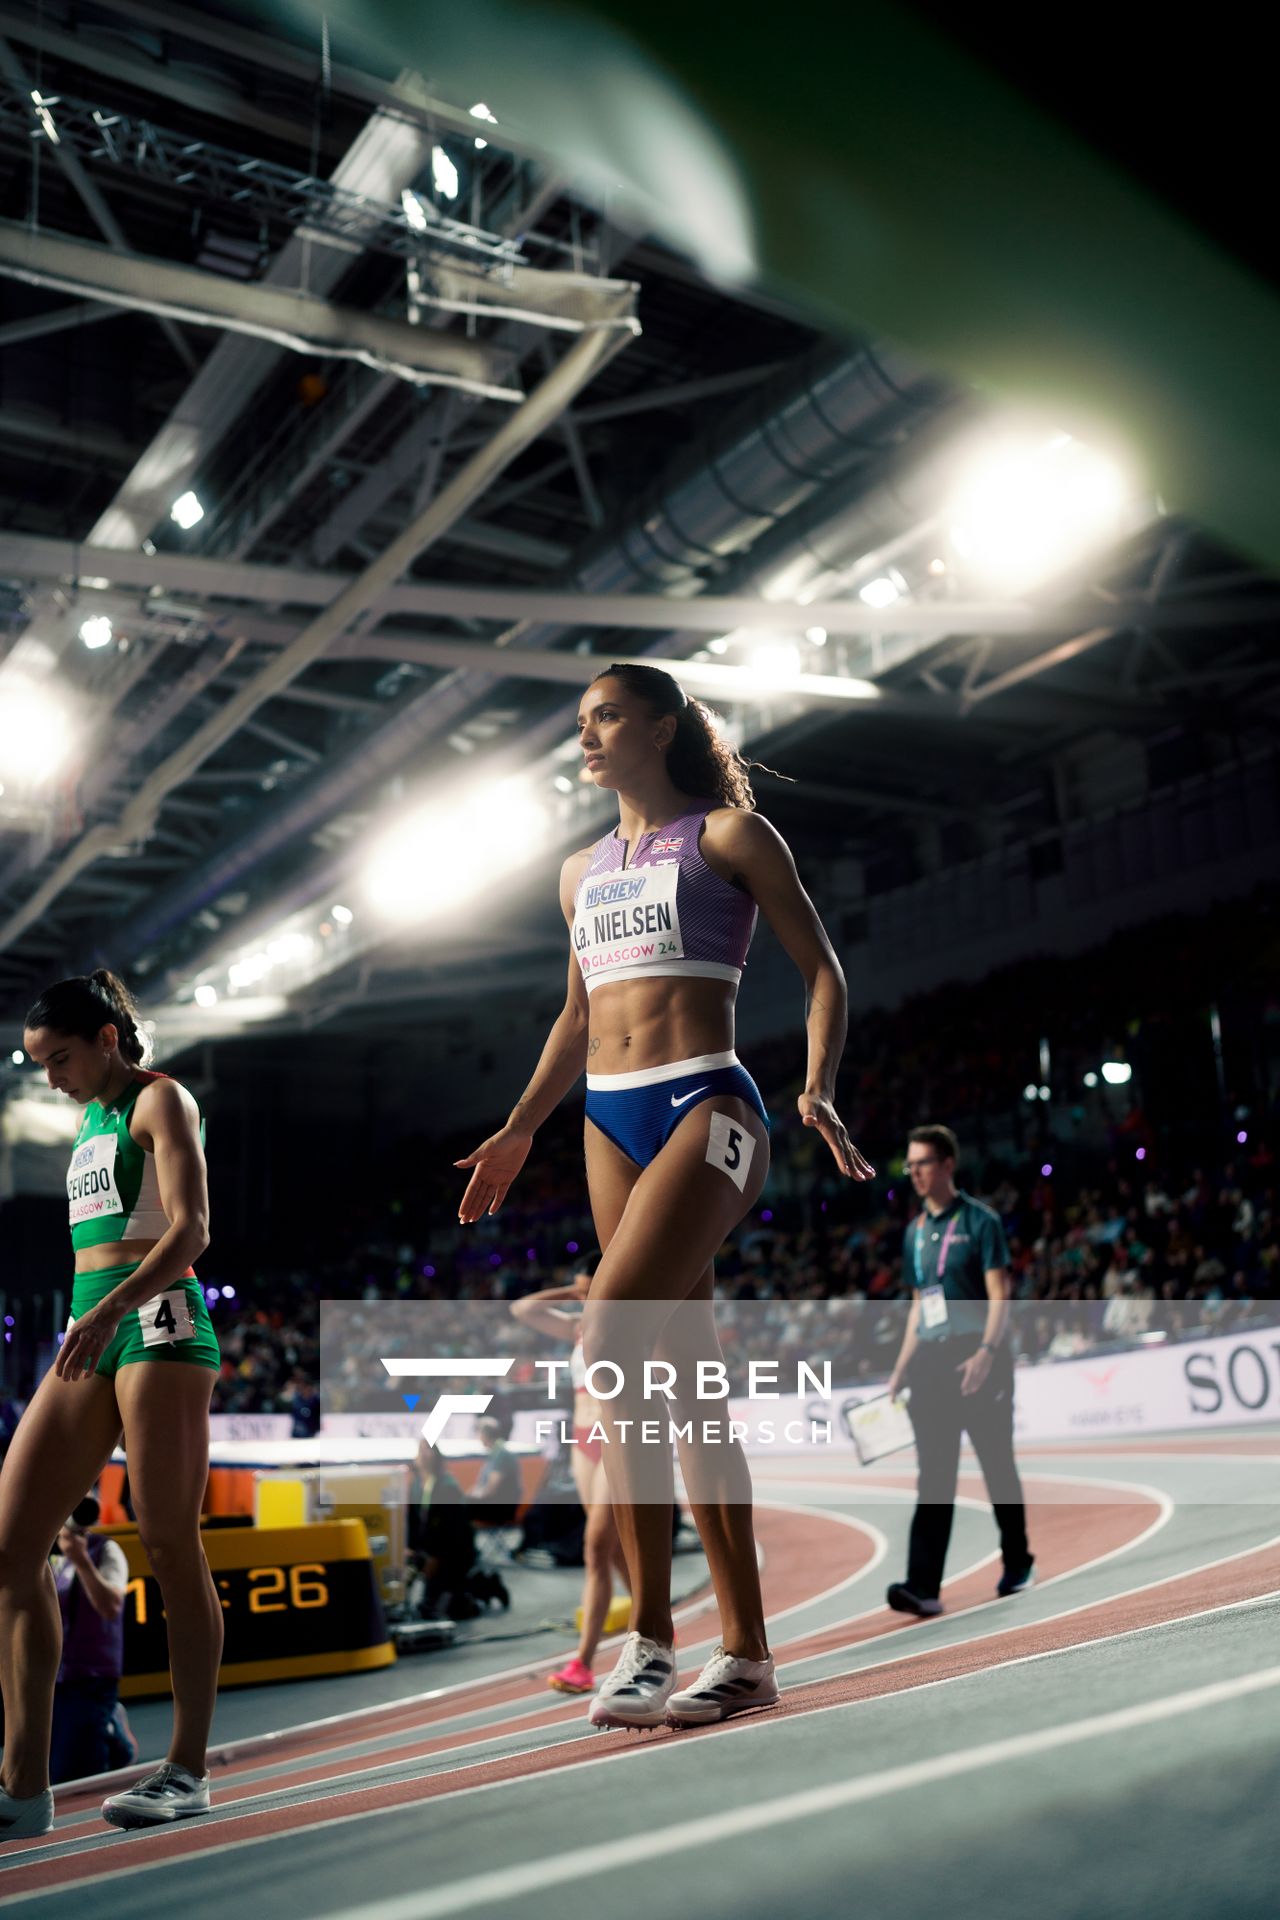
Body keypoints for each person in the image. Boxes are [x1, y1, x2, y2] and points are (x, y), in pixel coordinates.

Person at [456, 663, 872, 1729]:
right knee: (685, 1397)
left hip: (710, 1107)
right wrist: (518, 1125)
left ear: (658, 727)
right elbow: (571, 1017)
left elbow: (820, 965)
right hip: (609, 1117)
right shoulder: (577, 872)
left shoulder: (730, 837)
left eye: (602, 718)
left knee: (607, 1343)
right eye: (579, 722)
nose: (585, 735)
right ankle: (743, 1654)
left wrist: (817, 1082)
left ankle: (649, 1639)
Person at [1, 971, 221, 1841]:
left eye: (58, 1059)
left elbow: (193, 1229)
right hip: (95, 1329)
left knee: (169, 1542)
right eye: (37, 1065)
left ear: (105, 1038)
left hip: (156, 1323)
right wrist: (95, 1314)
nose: (50, 1078)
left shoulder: (161, 1103)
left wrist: (109, 1307)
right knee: (13, 1547)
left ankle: (189, 1768)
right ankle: (23, 1786)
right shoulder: (89, 1123)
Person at [885, 1125, 1033, 1617]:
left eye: (923, 1164)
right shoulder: (913, 1233)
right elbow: (917, 1306)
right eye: (910, 1166)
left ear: (948, 1164)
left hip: (978, 1355)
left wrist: (989, 1352)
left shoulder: (981, 1221)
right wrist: (901, 1368)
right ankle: (923, 1585)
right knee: (934, 1473)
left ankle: (1018, 1561)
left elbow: (999, 1295)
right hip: (932, 1361)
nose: (915, 1175)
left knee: (996, 1462)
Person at [510, 1259, 630, 1694]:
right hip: (583, 1439)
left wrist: (597, 1289)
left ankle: (582, 1663)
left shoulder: (624, 1314)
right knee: (611, 1550)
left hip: (615, 1433)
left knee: (595, 1548)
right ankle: (651, 1619)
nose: (583, 1297)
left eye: (589, 1289)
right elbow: (522, 1310)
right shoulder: (578, 1326)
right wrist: (574, 1290)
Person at [48, 1493, 128, 1785]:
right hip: (52, 1675)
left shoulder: (106, 1550)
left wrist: (81, 1560)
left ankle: (112, 1732)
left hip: (92, 1673)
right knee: (47, 1771)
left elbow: (111, 1606)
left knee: (79, 1777)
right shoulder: (46, 1553)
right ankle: (106, 1726)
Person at [407, 1438, 478, 1620]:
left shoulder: (447, 1487)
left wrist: (434, 1556)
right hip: (427, 1547)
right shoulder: (415, 1486)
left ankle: (483, 1586)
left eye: (428, 1450)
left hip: (451, 1550)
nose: (423, 1454)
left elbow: (452, 1531)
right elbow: (412, 1522)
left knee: (451, 1608)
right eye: (420, 1449)